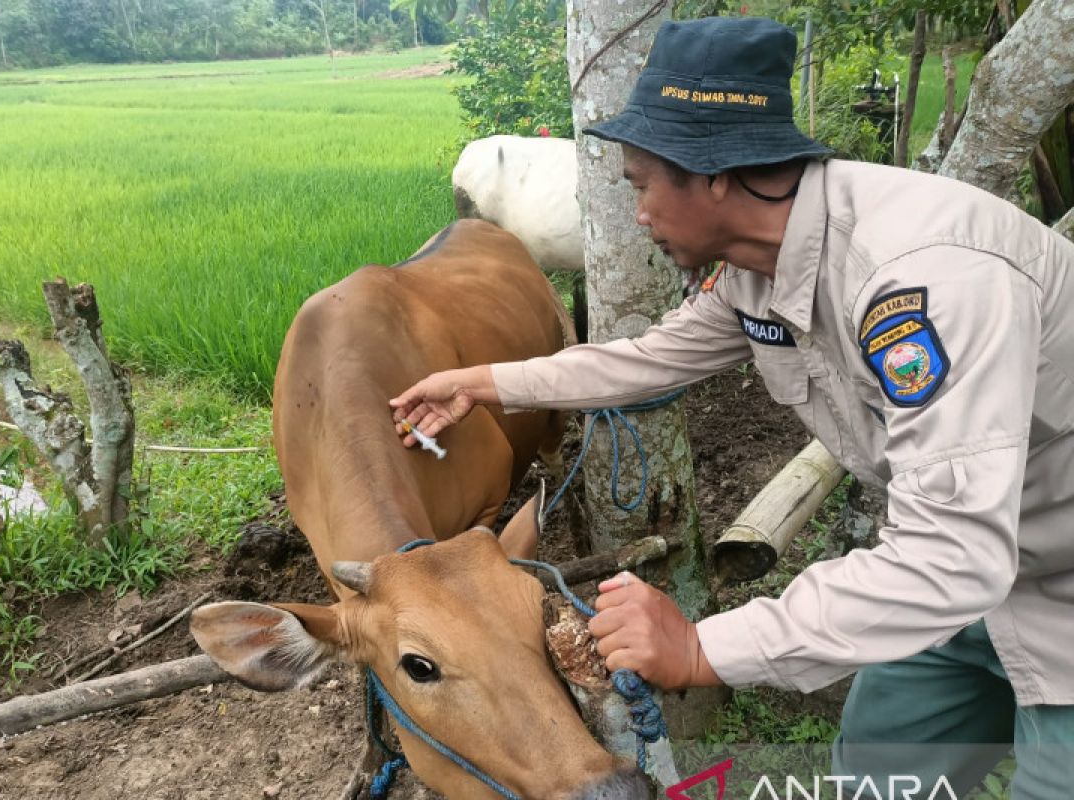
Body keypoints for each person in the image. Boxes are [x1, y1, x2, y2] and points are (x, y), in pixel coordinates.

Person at [389, 14, 1074, 799]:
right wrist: (483, 382)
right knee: (879, 769)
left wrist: (700, 650)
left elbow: (953, 554)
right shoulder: (763, 271)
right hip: (966, 578)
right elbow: (649, 359)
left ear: (713, 173)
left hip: (1039, 577)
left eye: (643, 184)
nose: (638, 213)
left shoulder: (926, 283)